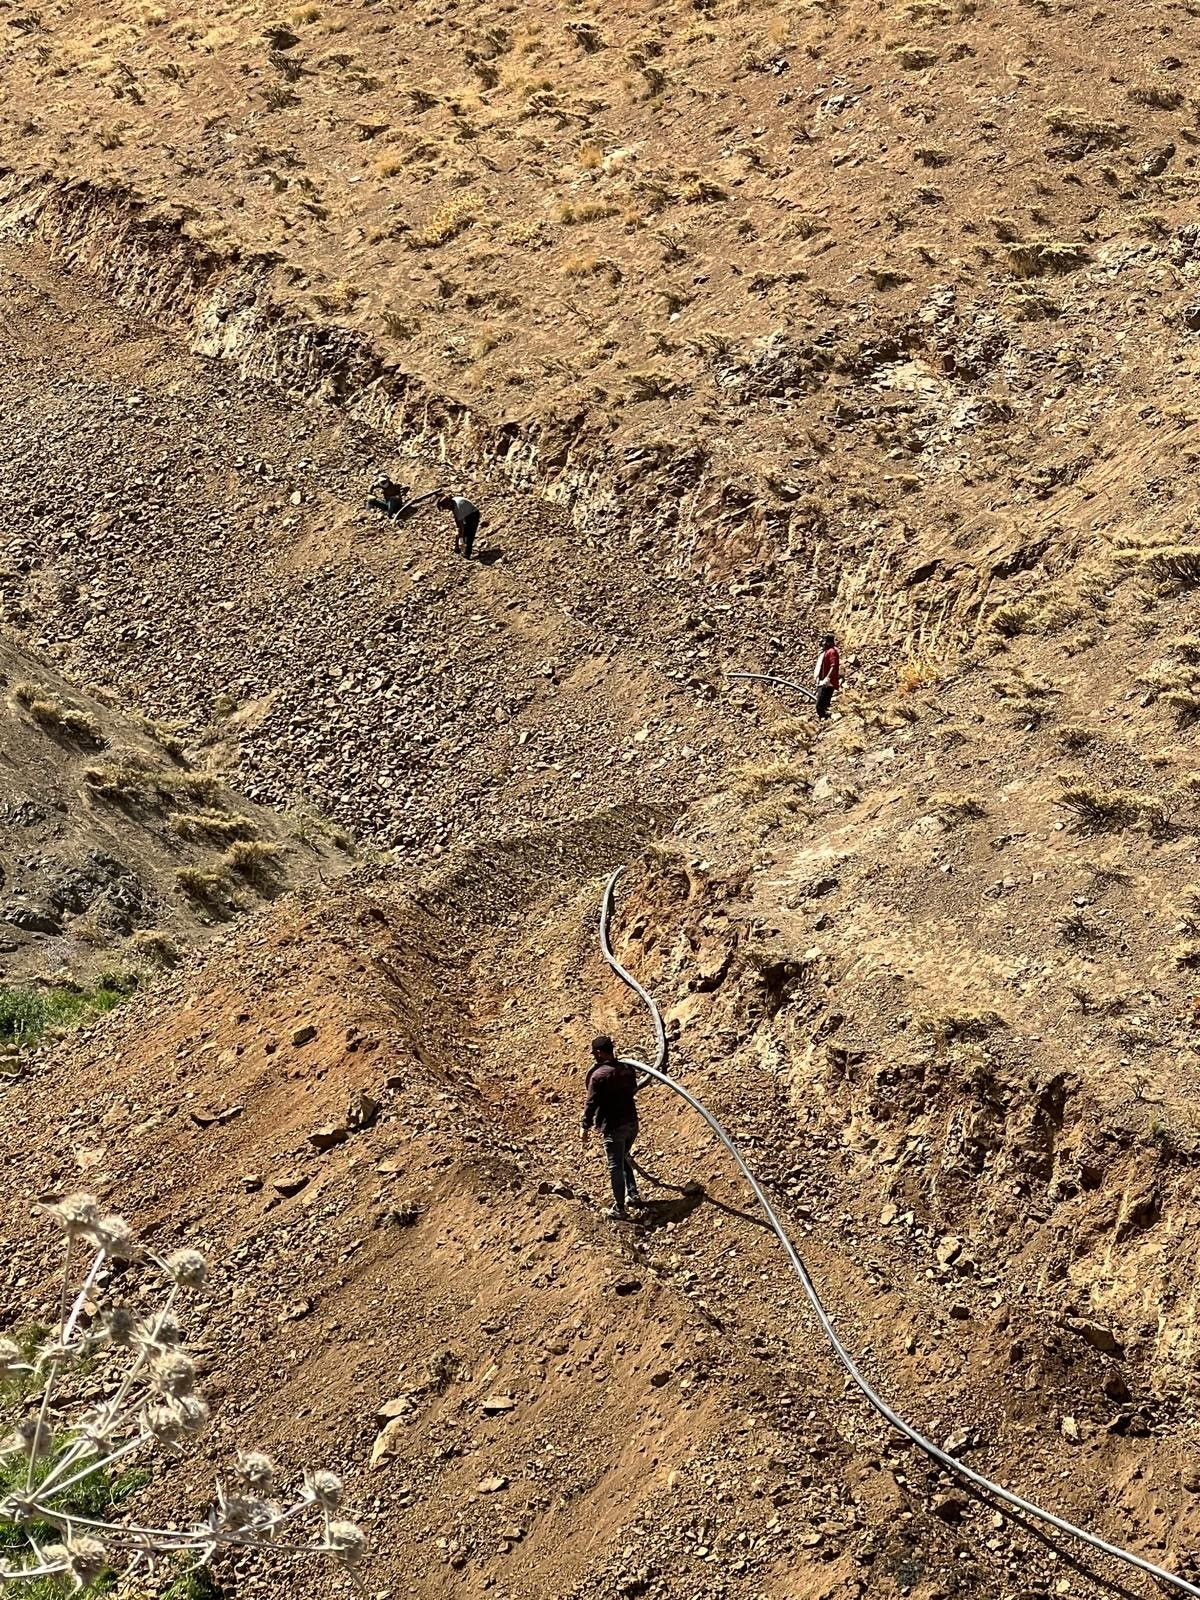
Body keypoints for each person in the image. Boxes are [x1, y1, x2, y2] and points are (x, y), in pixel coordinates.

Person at [580, 1035, 644, 1220]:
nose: (594, 1057)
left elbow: (591, 1103)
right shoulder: (627, 1069)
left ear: (599, 1053)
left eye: (595, 1053)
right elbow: (633, 1089)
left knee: (615, 1165)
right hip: (632, 1123)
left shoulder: (598, 1076)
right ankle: (633, 1193)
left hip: (614, 1127)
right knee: (623, 1156)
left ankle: (620, 1208)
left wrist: (585, 1125)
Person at [437, 493, 481, 559]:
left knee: (470, 534)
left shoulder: (458, 506)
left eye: (446, 508)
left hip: (473, 514)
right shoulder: (453, 504)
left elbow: (461, 526)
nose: (447, 509)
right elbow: (457, 523)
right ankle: (459, 548)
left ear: (449, 504)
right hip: (466, 514)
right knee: (463, 533)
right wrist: (458, 541)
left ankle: (467, 554)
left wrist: (460, 539)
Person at [814, 632, 840, 719]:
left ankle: (829, 718)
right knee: (821, 705)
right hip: (823, 682)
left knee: (820, 706)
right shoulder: (826, 652)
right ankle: (826, 720)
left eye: (824, 641)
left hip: (827, 684)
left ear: (829, 642)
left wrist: (827, 678)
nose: (822, 643)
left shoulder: (832, 652)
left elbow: (834, 666)